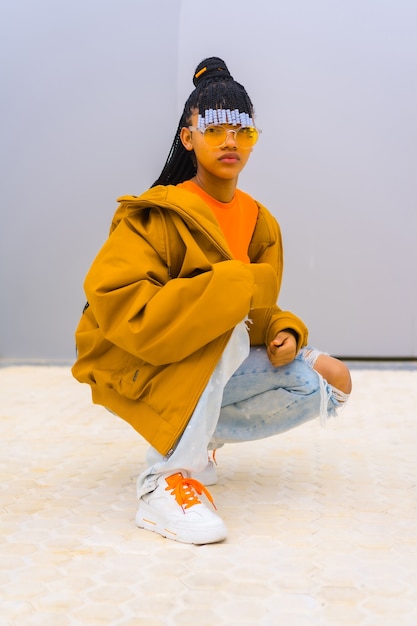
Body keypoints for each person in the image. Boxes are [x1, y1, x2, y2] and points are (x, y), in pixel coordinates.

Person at [72, 57, 352, 545]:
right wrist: (228, 288)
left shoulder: (260, 222)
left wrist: (283, 331)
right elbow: (118, 304)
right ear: (188, 137)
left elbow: (255, 310)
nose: (230, 142)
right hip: (137, 358)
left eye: (243, 131)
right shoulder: (157, 214)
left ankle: (198, 444)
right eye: (216, 128)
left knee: (321, 385)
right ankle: (163, 481)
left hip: (209, 356)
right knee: (221, 323)